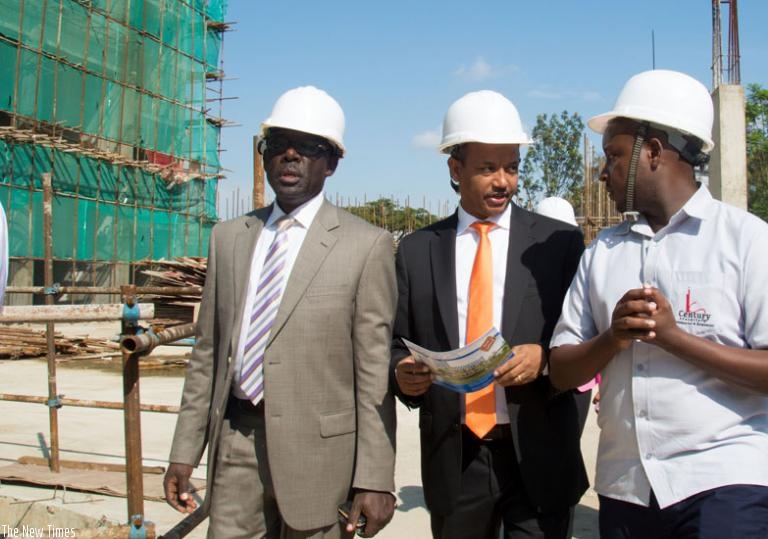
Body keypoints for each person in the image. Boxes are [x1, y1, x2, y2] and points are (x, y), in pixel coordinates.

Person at [549, 69, 768, 539]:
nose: (603, 172)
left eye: (614, 156)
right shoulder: (603, 253)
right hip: (627, 485)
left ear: (653, 152)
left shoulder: (745, 240)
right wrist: (613, 338)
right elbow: (561, 371)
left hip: (723, 479)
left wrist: (675, 338)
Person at [163, 86, 398, 538]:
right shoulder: (229, 238)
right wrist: (184, 450)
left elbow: (372, 372)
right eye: (278, 145)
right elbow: (208, 352)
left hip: (320, 457)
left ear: (331, 163)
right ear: (263, 154)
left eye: (308, 147)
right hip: (235, 440)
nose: (290, 156)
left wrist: (375, 477)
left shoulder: (365, 246)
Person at [391, 90, 588, 539]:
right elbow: (395, 344)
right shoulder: (418, 251)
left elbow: (585, 335)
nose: (504, 181)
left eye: (512, 167)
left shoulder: (557, 246)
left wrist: (545, 357)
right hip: (456, 458)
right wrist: (402, 375)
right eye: (487, 168)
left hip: (539, 451)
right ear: (455, 170)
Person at [533, 196, 597, 437]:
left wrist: (602, 379)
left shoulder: (585, 266)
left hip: (577, 377)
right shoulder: (529, 270)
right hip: (538, 373)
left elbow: (596, 324)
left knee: (567, 449)